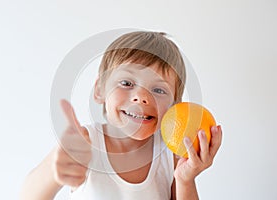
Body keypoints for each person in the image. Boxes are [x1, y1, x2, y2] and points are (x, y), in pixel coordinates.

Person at [19, 31, 222, 200]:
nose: (141, 97)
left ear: (174, 106)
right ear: (99, 90)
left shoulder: (171, 156)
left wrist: (186, 179)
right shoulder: (85, 144)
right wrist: (56, 164)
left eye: (158, 90)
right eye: (127, 83)